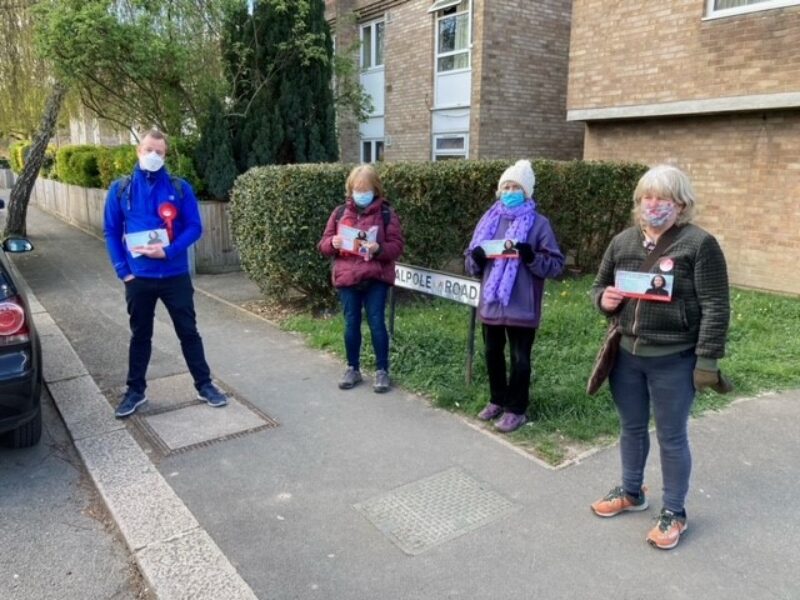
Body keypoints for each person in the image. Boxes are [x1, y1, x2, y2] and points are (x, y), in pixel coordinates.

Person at [589, 164, 730, 550]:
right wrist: (603, 299)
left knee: (671, 437)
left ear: (681, 204)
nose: (653, 205)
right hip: (628, 356)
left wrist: (708, 360)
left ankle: (675, 512)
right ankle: (632, 491)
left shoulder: (699, 244)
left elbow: (716, 305)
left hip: (675, 359)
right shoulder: (622, 242)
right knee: (631, 428)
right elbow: (599, 285)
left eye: (662, 198)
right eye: (647, 197)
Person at [103, 129, 229, 418]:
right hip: (139, 278)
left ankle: (204, 385)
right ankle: (135, 392)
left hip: (175, 276)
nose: (153, 156)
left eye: (159, 152)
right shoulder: (120, 189)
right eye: (148, 150)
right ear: (138, 151)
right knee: (140, 336)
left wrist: (169, 252)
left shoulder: (180, 187)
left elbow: (194, 227)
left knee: (189, 332)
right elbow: (111, 231)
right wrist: (123, 271)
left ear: (165, 154)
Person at [465, 160, 565, 433]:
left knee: (521, 359)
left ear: (527, 192)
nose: (509, 191)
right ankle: (497, 399)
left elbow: (555, 264)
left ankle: (517, 409)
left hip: (522, 305)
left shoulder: (539, 224)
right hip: (492, 305)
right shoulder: (489, 220)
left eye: (515, 187)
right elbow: (471, 262)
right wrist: (476, 258)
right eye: (505, 186)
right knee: (492, 353)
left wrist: (531, 257)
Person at [318, 165, 405, 393]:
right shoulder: (339, 213)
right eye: (357, 189)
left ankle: (382, 370)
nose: (361, 193)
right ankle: (352, 368)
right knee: (351, 323)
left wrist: (378, 249)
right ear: (350, 189)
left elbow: (397, 247)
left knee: (377, 322)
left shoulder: (387, 214)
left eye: (365, 189)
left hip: (376, 276)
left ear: (375, 189)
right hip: (347, 277)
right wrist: (332, 243)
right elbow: (324, 243)